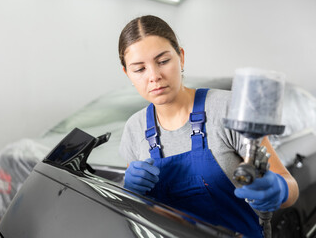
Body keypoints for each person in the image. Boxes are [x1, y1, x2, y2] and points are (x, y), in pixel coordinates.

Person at [118, 15, 299, 237]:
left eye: (163, 61)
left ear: (181, 58)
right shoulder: (134, 128)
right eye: (139, 69)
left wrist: (279, 190)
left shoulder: (227, 108)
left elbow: (290, 187)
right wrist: (128, 190)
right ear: (127, 73)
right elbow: (137, 210)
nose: (154, 76)